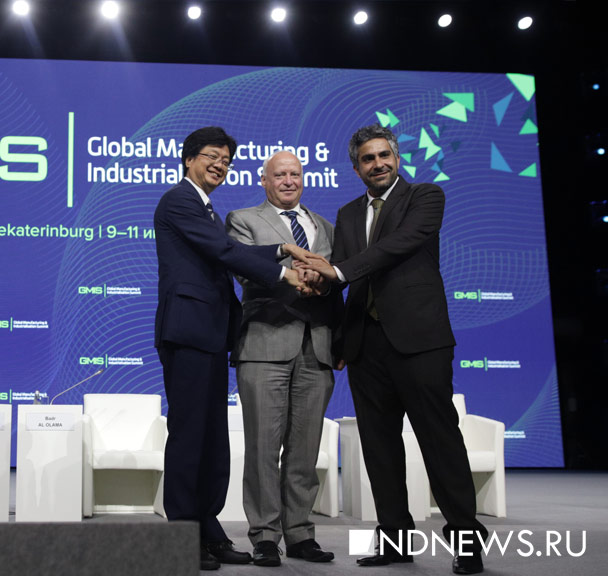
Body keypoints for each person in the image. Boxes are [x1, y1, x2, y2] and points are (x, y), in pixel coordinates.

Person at [299, 124, 488, 575]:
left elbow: (395, 247)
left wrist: (337, 271)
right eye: (368, 158)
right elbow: (346, 282)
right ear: (356, 168)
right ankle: (395, 540)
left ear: (397, 158)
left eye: (384, 155)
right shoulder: (347, 214)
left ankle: (467, 543)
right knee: (380, 451)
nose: (378, 164)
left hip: (420, 342)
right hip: (366, 347)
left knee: (440, 443)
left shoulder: (425, 197)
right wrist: (332, 311)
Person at [153, 127, 308, 571]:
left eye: (226, 160)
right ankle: (184, 535)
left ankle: (208, 527)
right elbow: (223, 250)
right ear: (188, 159)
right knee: (189, 438)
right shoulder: (178, 200)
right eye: (211, 156)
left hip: (211, 334)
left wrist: (281, 248)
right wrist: (283, 272)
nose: (219, 165)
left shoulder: (204, 207)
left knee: (212, 440)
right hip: (188, 332)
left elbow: (228, 249)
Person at [224, 150, 343, 567]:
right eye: (279, 175)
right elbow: (244, 268)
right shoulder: (243, 219)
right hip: (264, 345)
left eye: (295, 173)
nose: (288, 180)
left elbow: (338, 280)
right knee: (262, 448)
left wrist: (323, 283)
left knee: (304, 450)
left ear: (303, 179)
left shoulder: (326, 226)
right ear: (264, 180)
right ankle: (264, 536)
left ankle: (300, 534)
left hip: (317, 346)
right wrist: (293, 276)